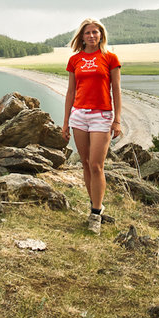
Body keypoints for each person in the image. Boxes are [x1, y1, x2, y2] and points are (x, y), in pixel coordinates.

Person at [61, 18, 122, 235]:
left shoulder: (110, 58)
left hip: (101, 116)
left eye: (95, 32)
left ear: (101, 35)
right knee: (85, 164)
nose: (92, 36)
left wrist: (117, 120)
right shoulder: (74, 60)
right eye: (88, 33)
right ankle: (95, 205)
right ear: (82, 36)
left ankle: (96, 214)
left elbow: (116, 90)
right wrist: (66, 122)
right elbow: (70, 92)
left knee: (97, 165)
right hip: (79, 115)